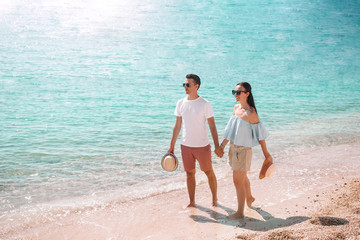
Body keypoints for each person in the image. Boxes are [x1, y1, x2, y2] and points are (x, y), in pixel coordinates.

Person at [215, 82, 272, 219]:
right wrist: (222, 146)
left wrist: (266, 155)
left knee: (237, 180)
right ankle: (250, 197)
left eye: (239, 92)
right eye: (234, 92)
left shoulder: (251, 113)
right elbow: (230, 130)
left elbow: (261, 136)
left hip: (243, 151)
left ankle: (240, 213)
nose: (236, 94)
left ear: (247, 93)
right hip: (232, 148)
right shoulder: (236, 108)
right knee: (242, 176)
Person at [168, 74, 222, 207]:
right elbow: (177, 125)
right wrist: (171, 146)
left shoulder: (205, 104)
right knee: (189, 173)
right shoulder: (180, 103)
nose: (185, 87)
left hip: (202, 146)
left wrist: (217, 146)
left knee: (208, 172)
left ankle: (214, 199)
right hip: (185, 146)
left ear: (196, 86)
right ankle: (192, 202)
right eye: (184, 84)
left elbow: (212, 126)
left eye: (188, 84)